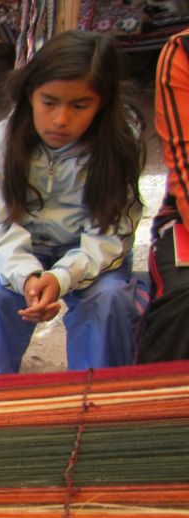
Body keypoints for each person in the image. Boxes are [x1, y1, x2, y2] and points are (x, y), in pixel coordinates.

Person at [0, 30, 146, 373]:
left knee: (110, 301)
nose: (60, 119)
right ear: (30, 94)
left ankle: (91, 406)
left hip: (90, 253)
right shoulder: (2, 141)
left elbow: (111, 235)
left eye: (80, 105)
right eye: (50, 102)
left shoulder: (120, 144)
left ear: (102, 103)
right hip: (18, 252)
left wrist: (61, 278)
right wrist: (28, 277)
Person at [139, 27, 189, 362]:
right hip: (185, 219)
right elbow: (185, 164)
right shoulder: (182, 52)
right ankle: (161, 414)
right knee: (182, 305)